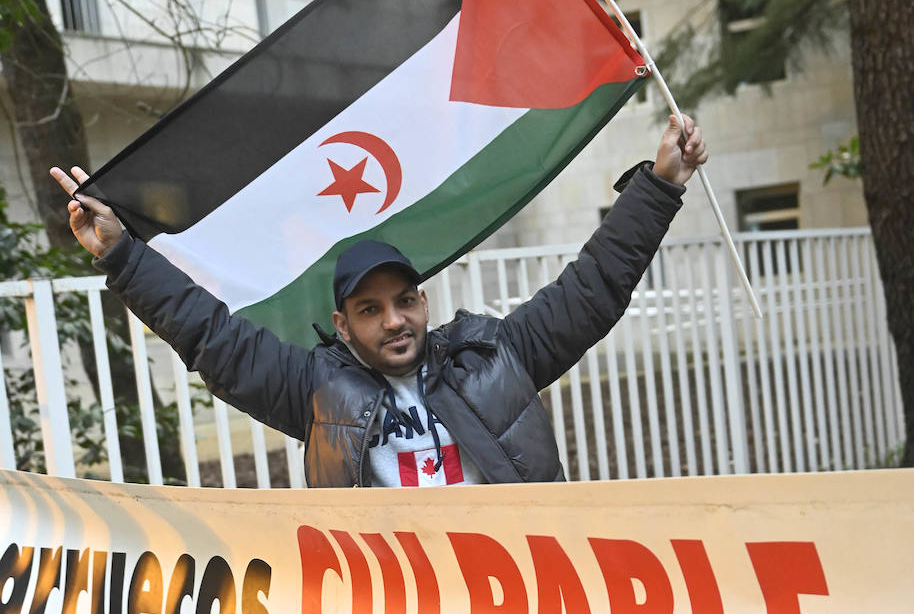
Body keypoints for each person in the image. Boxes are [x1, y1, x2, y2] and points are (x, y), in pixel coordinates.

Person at [51, 114, 707, 488]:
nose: (394, 320)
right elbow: (211, 338)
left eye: (404, 301)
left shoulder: (495, 356)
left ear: (423, 301)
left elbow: (590, 291)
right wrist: (122, 254)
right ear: (342, 324)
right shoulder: (312, 390)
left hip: (524, 606)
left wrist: (659, 185)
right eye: (371, 310)